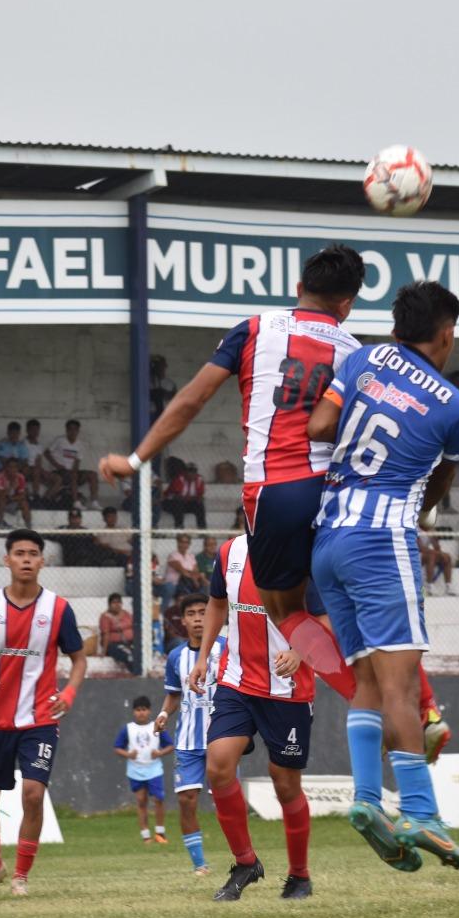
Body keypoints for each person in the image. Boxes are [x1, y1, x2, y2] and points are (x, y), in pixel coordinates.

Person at [98, 244, 367, 692]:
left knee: (284, 608)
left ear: (299, 287)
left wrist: (134, 459)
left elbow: (192, 399)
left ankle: (363, 698)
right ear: (347, 304)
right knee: (337, 605)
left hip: (276, 493)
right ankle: (401, 700)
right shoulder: (356, 353)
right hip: (336, 496)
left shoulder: (255, 329)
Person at [307, 280, 459, 873]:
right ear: (446, 334)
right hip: (382, 540)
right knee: (402, 689)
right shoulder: (458, 408)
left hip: (328, 537)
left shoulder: (363, 358)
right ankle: (422, 813)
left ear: (396, 326)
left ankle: (365, 799)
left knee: (367, 682)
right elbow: (440, 481)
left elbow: (319, 425)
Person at [188, 535, 318, 900]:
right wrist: (203, 657)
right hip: (237, 680)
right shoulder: (229, 551)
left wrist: (299, 651)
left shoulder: (301, 550)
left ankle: (299, 876)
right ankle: (246, 862)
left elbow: (325, 616)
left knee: (285, 782)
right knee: (218, 766)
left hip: (287, 689)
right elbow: (217, 603)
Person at [0, 528, 87, 897]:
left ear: (42, 561)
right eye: (19, 553)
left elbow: (79, 659)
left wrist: (69, 692)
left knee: (33, 794)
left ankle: (20, 876)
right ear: (7, 560)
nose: (26, 560)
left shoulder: (58, 609)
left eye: (33, 554)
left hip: (40, 719)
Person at [155, 594, 225, 876]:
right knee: (186, 800)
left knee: (226, 802)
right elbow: (174, 694)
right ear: (183, 621)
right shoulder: (176, 656)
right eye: (191, 614)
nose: (198, 619)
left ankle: (243, 858)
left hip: (222, 738)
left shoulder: (227, 648)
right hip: (187, 741)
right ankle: (200, 865)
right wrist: (163, 713)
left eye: (203, 612)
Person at [115, 696, 173, 846]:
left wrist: (159, 753)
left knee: (158, 799)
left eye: (144, 709)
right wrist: (128, 754)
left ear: (149, 711)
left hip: (154, 769)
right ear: (134, 712)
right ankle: (145, 835)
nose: (141, 713)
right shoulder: (128, 729)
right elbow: (117, 747)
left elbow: (170, 746)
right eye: (138, 710)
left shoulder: (156, 726)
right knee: (141, 801)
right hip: (135, 770)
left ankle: (160, 832)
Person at [98, 593, 136, 673]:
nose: (117, 605)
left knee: (138, 652)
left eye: (119, 602)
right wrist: (104, 651)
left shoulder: (127, 614)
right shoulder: (105, 617)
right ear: (109, 604)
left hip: (129, 642)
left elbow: (134, 627)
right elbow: (105, 634)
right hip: (114, 644)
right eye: (114, 602)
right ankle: (136, 673)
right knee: (128, 656)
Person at [162, 462, 206, 528]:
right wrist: (194, 498)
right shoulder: (179, 478)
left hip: (186, 503)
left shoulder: (199, 479)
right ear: (185, 472)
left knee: (200, 505)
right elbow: (177, 497)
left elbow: (200, 496)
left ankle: (202, 529)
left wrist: (196, 498)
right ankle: (179, 527)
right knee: (178, 503)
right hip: (170, 503)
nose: (192, 474)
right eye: (189, 471)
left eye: (194, 471)